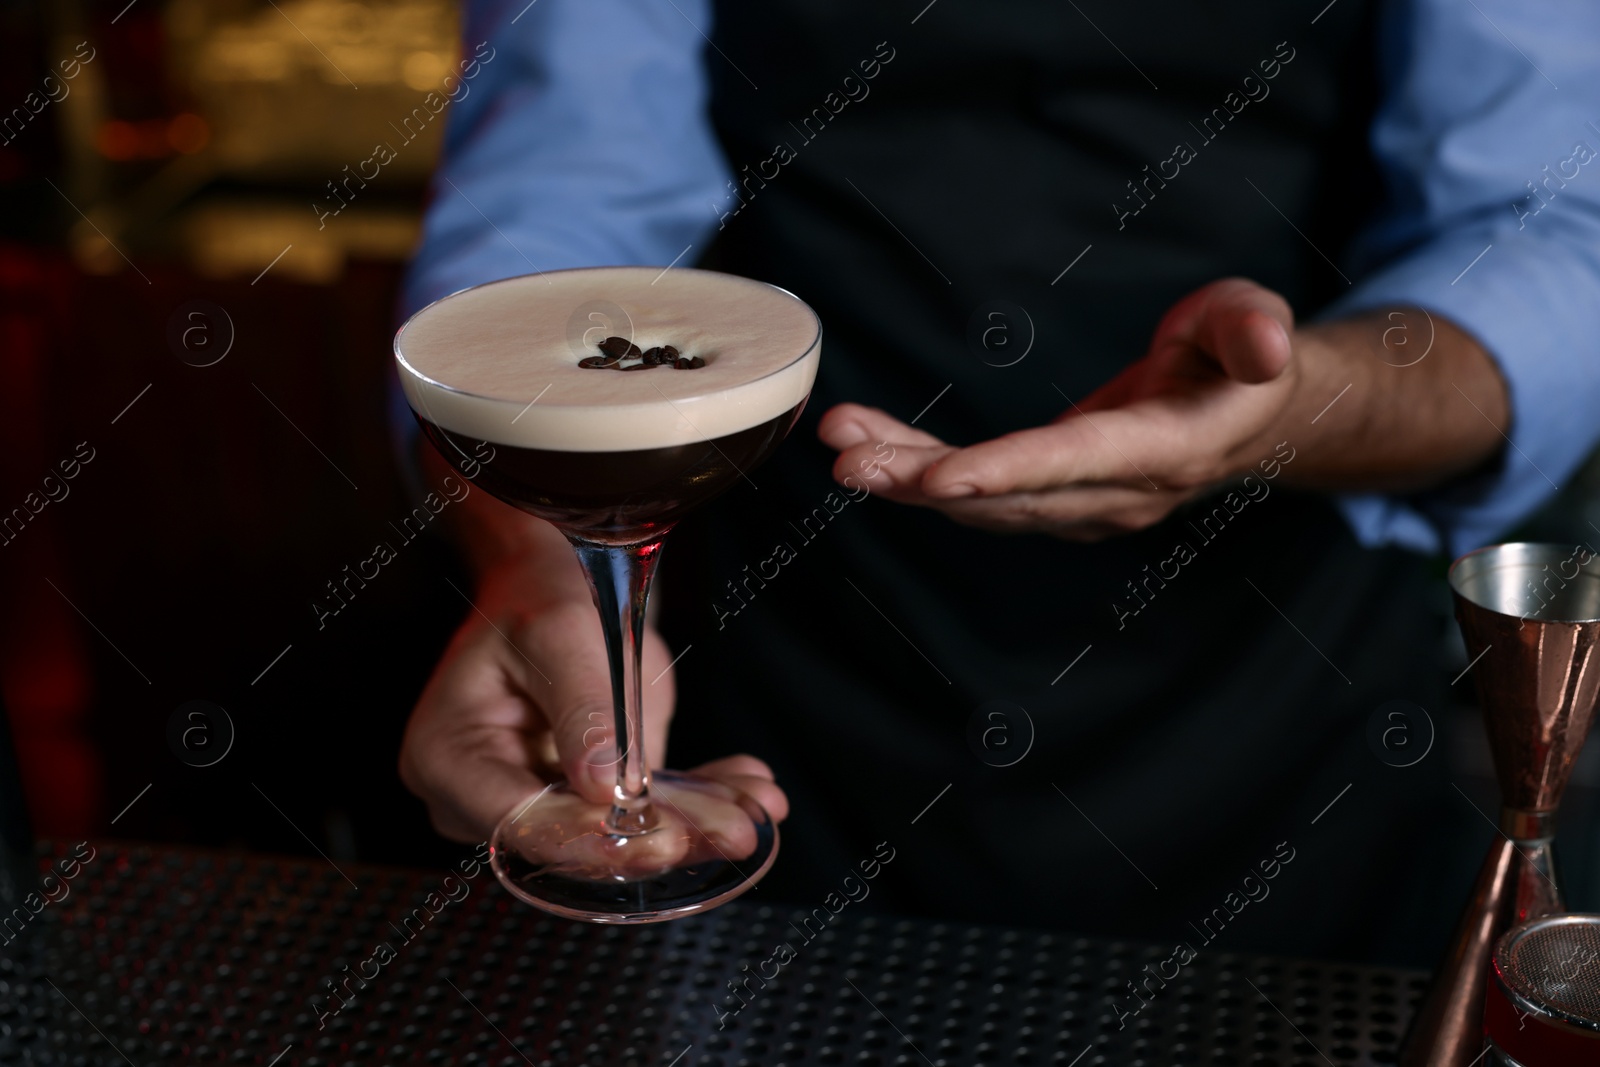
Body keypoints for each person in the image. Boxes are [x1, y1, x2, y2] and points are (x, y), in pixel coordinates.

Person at [394, 0, 1600, 963]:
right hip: (793, 653)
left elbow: (1553, 233)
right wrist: (539, 557)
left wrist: (1288, 405)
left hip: (1276, 684)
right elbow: (552, 209)